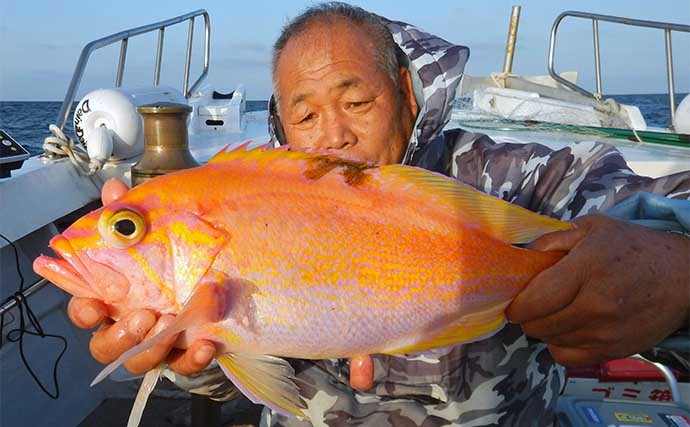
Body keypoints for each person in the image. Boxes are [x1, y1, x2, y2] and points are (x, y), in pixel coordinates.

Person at [68, 3, 690, 425]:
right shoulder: (252, 201)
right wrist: (183, 360)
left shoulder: (511, 181)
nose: (333, 134)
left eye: (357, 100)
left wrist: (674, 263)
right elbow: (228, 375)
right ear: (282, 126)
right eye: (305, 116)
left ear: (407, 93)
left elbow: (658, 200)